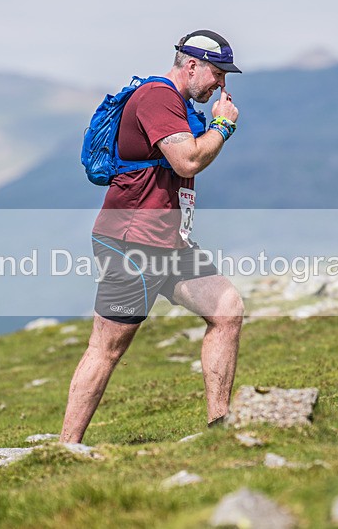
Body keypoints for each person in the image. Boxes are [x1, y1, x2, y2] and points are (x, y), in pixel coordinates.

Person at [60, 30, 244, 443]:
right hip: (132, 242)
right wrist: (222, 126)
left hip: (169, 242)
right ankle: (66, 448)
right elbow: (187, 160)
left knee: (227, 309)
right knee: (107, 348)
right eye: (217, 73)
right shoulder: (157, 97)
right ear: (191, 65)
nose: (221, 84)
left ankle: (220, 429)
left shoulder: (177, 106)